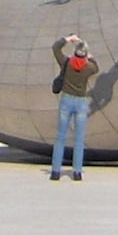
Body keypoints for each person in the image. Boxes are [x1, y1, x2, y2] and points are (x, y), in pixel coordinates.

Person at [50, 34, 100, 181]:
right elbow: (96, 67)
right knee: (78, 139)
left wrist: (68, 39)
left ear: (74, 52)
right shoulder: (88, 68)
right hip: (81, 102)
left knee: (60, 137)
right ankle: (77, 172)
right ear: (84, 55)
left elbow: (55, 48)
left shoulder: (66, 63)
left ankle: (55, 171)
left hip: (66, 100)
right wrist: (88, 55)